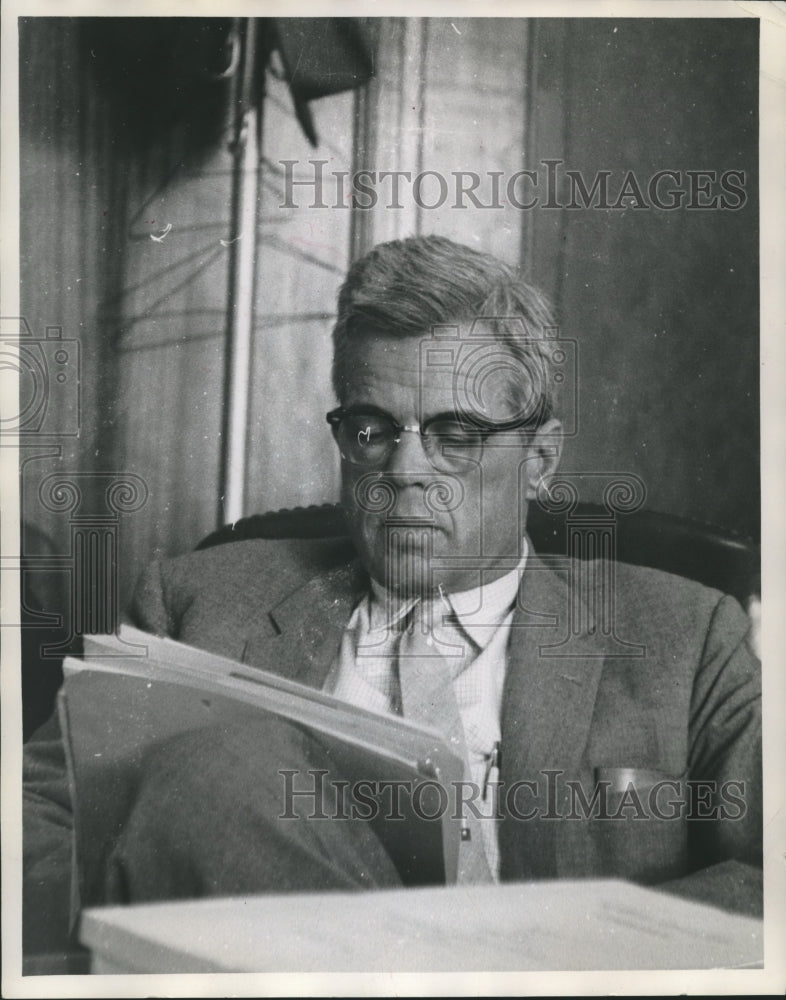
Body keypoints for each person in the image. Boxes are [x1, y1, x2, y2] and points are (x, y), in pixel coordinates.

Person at [23, 235, 762, 958]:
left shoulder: (688, 637)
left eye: (457, 435)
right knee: (224, 771)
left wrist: (550, 950)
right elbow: (39, 828)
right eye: (371, 429)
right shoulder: (195, 601)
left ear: (539, 459)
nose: (405, 469)